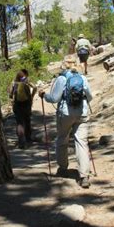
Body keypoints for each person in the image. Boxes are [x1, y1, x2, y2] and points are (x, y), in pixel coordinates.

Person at [39, 56, 93, 188]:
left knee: (62, 139)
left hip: (66, 114)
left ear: (64, 64)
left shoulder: (61, 78)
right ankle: (84, 176)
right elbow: (90, 96)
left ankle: (63, 168)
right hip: (82, 113)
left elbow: (54, 98)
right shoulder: (82, 78)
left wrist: (44, 95)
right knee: (81, 143)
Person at [9, 69, 37, 148]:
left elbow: (10, 94)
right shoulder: (26, 80)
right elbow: (35, 87)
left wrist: (12, 99)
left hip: (17, 104)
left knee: (19, 123)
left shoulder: (14, 82)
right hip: (27, 103)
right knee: (27, 120)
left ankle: (21, 143)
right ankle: (28, 139)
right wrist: (32, 96)